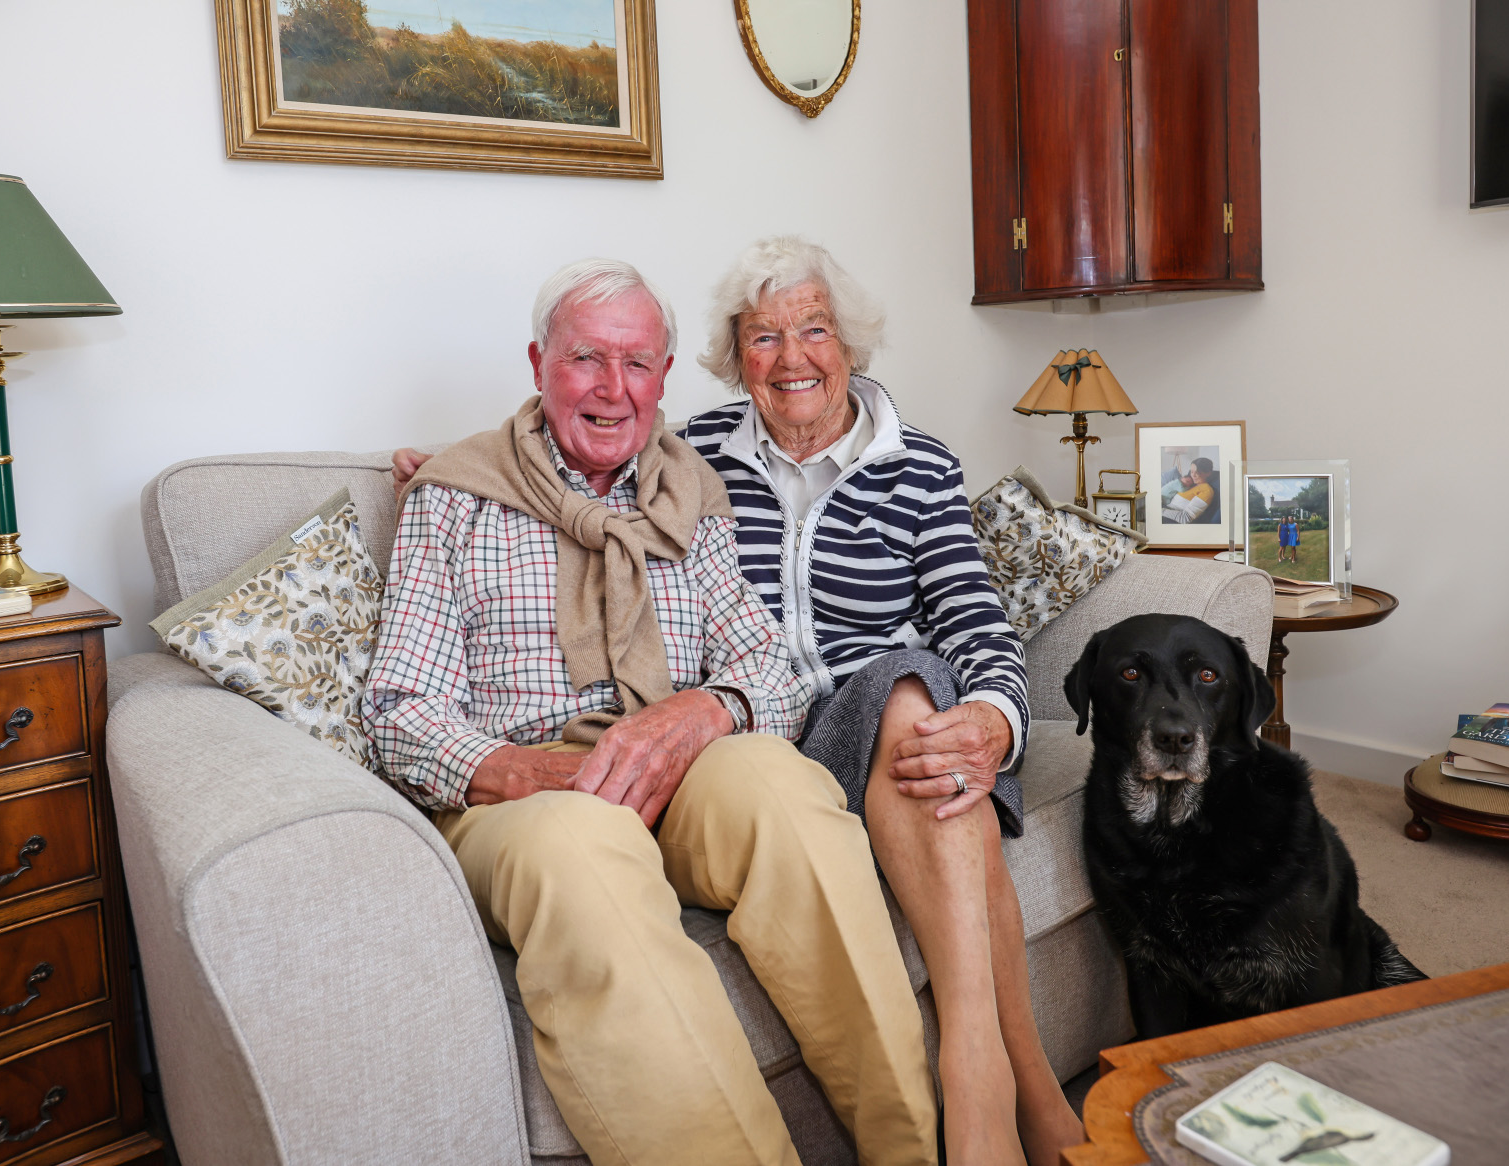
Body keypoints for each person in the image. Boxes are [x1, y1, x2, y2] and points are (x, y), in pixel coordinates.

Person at [397, 239, 1081, 1166]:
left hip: (743, 754)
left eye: (637, 363)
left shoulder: (689, 482)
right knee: (581, 842)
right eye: (585, 359)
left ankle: (931, 1133)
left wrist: (703, 712)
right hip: (531, 793)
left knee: (816, 754)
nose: (613, 386)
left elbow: (792, 659)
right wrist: (537, 771)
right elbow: (401, 702)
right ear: (537, 367)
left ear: (666, 376)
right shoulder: (467, 496)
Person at [1161, 457, 1217, 524]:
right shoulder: (1190, 483)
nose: (1193, 475)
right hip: (1165, 509)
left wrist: (1160, 511)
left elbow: (1185, 518)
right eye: (1191, 471)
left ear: (1208, 473)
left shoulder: (1207, 490)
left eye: (1198, 472)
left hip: (1170, 519)